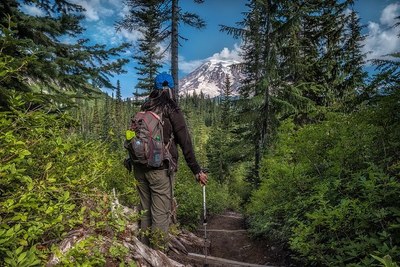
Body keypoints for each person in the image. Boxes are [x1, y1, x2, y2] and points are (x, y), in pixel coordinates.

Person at [132, 72, 208, 249]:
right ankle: (158, 254)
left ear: (155, 88)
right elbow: (185, 141)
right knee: (160, 214)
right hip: (160, 169)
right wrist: (196, 170)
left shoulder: (145, 107)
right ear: (171, 89)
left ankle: (144, 253)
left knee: (144, 211)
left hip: (139, 166)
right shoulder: (172, 109)